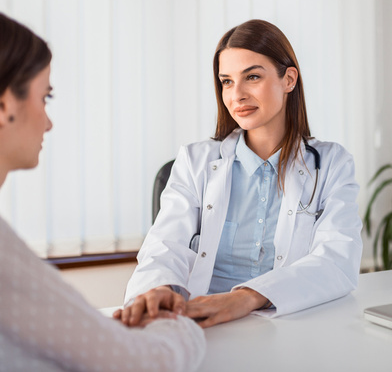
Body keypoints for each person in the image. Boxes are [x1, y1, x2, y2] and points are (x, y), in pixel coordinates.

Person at [0, 1, 205, 371]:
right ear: (3, 104)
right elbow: (140, 364)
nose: (48, 122)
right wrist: (181, 323)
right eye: (45, 98)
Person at [117, 19, 362, 328]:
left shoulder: (331, 164)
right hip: (203, 321)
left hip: (284, 320)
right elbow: (165, 246)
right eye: (227, 81)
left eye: (253, 77)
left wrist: (245, 297)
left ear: (289, 79)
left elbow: (337, 260)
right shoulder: (196, 161)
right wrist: (158, 290)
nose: (237, 95)